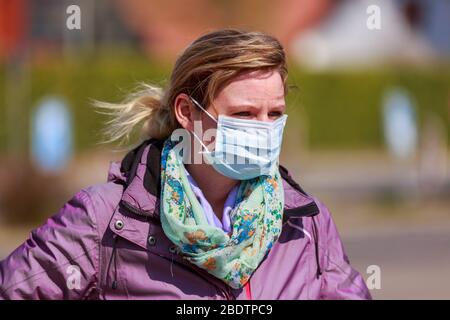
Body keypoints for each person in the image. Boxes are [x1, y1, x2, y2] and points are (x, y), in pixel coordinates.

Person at [0, 29, 371, 300]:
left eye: (275, 113)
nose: (265, 129)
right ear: (186, 112)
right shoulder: (106, 219)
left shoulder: (306, 223)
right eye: (244, 113)